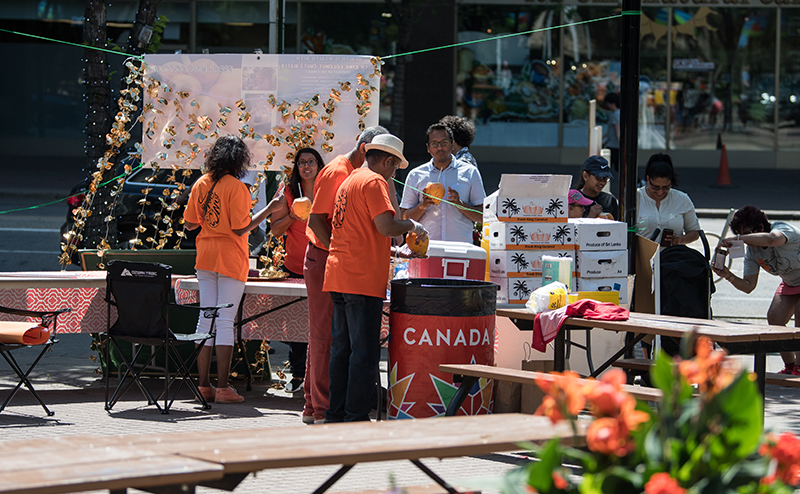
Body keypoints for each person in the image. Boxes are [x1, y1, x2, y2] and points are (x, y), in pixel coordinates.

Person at [323, 134, 428, 422]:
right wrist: (412, 225)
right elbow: (386, 226)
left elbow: (360, 230)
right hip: (361, 277)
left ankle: (335, 414)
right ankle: (355, 416)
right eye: (395, 167)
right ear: (387, 161)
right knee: (364, 353)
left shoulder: (351, 179)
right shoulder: (374, 181)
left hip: (339, 272)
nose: (394, 174)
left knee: (342, 350)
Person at [304, 125, 388, 424]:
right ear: (367, 149)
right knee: (329, 340)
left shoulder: (354, 174)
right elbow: (316, 220)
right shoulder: (341, 172)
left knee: (338, 344)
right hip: (331, 260)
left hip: (337, 262)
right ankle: (321, 407)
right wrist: (339, 248)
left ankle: (325, 408)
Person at [183, 135, 277, 404]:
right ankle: (223, 388)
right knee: (225, 321)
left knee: (205, 319)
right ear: (238, 160)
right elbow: (240, 228)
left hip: (205, 257)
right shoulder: (238, 187)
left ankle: (203, 386)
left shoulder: (201, 183)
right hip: (231, 259)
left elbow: (189, 224)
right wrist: (269, 209)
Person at [713, 206, 800, 375]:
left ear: (760, 228)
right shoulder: (753, 252)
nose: (745, 241)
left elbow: (772, 240)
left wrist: (738, 238)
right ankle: (790, 366)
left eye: (746, 234)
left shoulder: (781, 228)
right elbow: (748, 286)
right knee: (775, 319)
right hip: (791, 282)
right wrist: (728, 275)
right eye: (741, 236)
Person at [267, 147, 325, 394]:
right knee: (296, 323)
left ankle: (319, 376)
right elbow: (275, 230)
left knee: (321, 322)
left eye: (311, 161)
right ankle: (299, 373)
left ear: (319, 165)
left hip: (323, 264)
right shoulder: (289, 191)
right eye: (302, 162)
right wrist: (292, 215)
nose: (306, 166)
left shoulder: (327, 189)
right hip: (295, 266)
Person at [400, 123, 485, 244]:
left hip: (461, 247)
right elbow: (404, 218)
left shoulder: (470, 172)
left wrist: (460, 204)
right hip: (426, 247)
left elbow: (483, 216)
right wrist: (423, 205)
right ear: (428, 148)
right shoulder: (416, 175)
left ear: (452, 144)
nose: (439, 148)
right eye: (434, 144)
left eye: (444, 142)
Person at [636, 152, 700, 246]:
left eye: (666, 187)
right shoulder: (636, 197)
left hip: (674, 254)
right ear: (648, 180)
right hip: (643, 254)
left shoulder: (682, 199)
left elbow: (694, 232)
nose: (660, 192)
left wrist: (680, 240)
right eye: (655, 187)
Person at [576, 156, 619, 220]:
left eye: (605, 178)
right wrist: (590, 218)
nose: (602, 182)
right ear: (585, 176)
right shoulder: (573, 199)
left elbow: (617, 224)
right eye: (598, 178)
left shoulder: (610, 200)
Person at [603, 93, 621, 173]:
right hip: (614, 144)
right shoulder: (618, 113)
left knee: (609, 164)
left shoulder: (615, 115)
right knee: (617, 166)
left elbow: (617, 129)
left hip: (614, 145)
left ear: (612, 104)